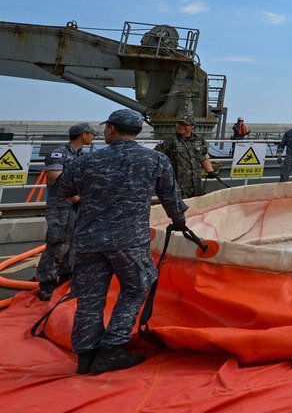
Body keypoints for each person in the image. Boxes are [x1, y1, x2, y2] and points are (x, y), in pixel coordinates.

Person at [51, 109, 187, 375]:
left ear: (111, 129)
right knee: (136, 288)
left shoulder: (87, 162)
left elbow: (60, 190)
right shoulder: (155, 160)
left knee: (90, 297)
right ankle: (112, 347)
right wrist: (179, 222)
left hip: (89, 241)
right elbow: (172, 198)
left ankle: (86, 354)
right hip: (129, 241)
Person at [35, 122, 94, 301]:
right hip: (61, 206)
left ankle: (65, 276)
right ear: (83, 135)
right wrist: (75, 198)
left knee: (73, 243)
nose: (93, 137)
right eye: (91, 134)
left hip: (76, 206)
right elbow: (54, 178)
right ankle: (47, 282)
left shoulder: (80, 155)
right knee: (57, 243)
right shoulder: (59, 154)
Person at [156, 115, 215, 199]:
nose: (180, 126)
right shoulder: (170, 141)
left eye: (184, 124)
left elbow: (203, 157)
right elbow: (156, 157)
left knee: (196, 209)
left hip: (196, 185)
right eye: (179, 124)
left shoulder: (199, 140)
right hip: (177, 186)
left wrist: (210, 171)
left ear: (192, 126)